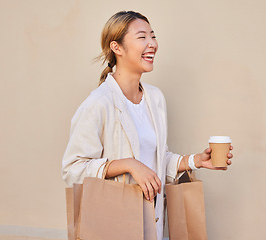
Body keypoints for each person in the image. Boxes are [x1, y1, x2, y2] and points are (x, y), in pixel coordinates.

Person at [62, 11, 233, 240]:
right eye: (142, 37)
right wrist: (128, 164)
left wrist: (195, 161)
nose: (152, 44)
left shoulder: (155, 98)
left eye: (153, 36)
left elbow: (155, 159)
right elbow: (72, 169)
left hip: (153, 224)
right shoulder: (98, 103)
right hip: (115, 225)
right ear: (117, 47)